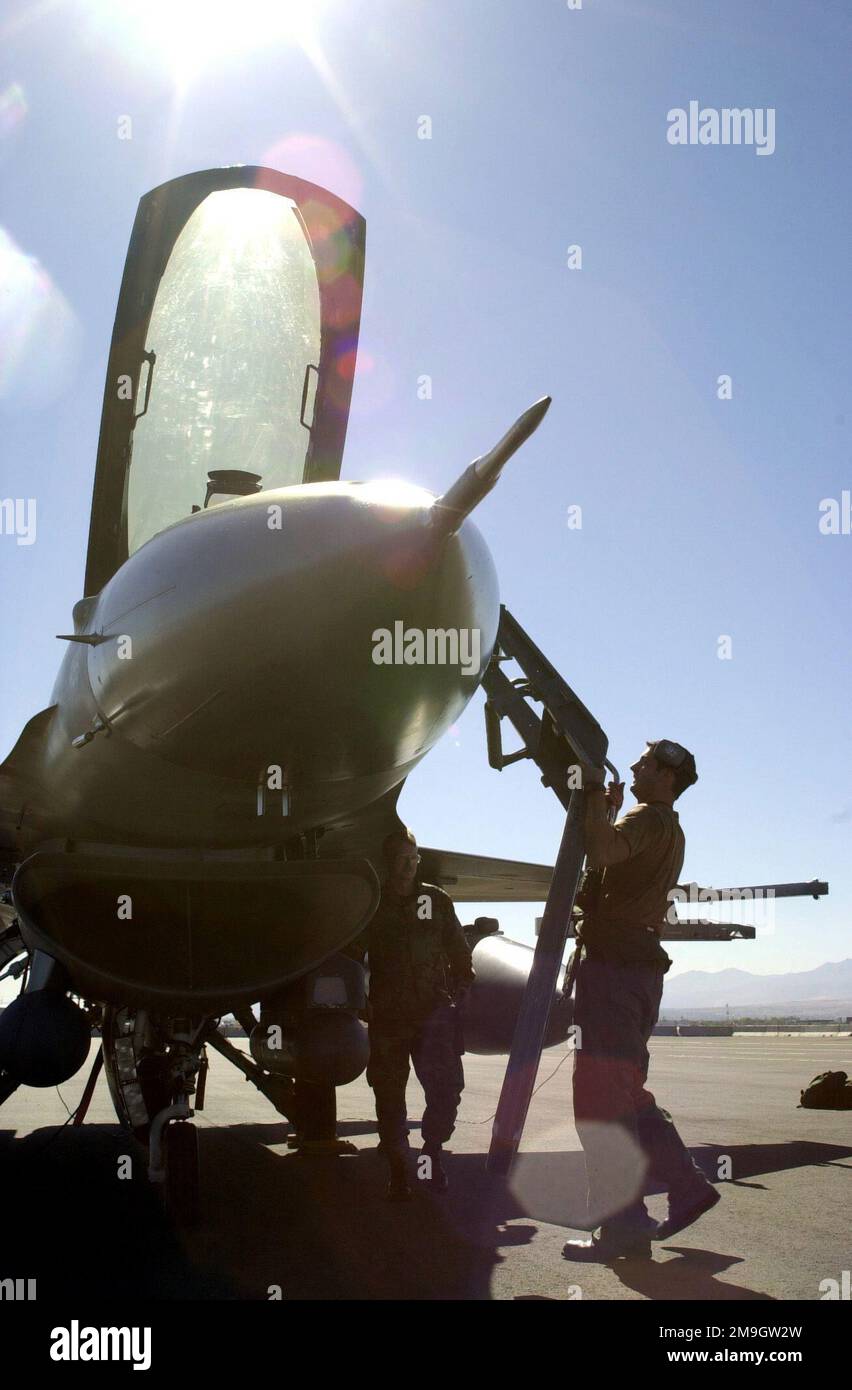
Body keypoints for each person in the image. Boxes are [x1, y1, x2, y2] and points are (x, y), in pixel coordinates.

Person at [563, 740, 719, 1261]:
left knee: (601, 1103)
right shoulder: (666, 826)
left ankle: (623, 1225)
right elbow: (610, 866)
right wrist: (604, 810)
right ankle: (687, 1186)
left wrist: (591, 802)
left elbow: (602, 851)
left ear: (668, 778)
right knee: (624, 1094)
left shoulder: (649, 819)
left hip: (614, 974)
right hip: (631, 973)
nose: (634, 766)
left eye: (646, 763)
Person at [355, 827, 475, 1200]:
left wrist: (457, 992)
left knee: (446, 1092)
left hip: (433, 1016)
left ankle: (431, 1155)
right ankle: (398, 1169)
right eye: (402, 859)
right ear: (388, 862)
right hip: (389, 1019)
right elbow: (352, 956)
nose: (409, 866)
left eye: (414, 858)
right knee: (389, 1097)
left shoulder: (435, 901)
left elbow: (459, 952)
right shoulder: (371, 903)